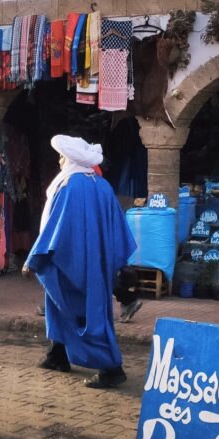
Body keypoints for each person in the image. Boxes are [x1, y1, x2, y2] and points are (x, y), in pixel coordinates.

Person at [23, 135, 136, 388]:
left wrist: (33, 258)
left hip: (71, 262)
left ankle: (111, 368)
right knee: (58, 307)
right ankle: (58, 355)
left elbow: (56, 228)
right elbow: (118, 228)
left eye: (62, 157)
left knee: (82, 313)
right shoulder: (103, 186)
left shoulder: (70, 186)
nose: (60, 160)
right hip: (97, 262)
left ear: (72, 159)